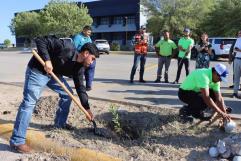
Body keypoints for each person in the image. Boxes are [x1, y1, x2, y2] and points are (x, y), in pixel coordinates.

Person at [10, 35, 99, 153]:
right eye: (93, 58)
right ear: (86, 53)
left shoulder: (80, 68)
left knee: (68, 95)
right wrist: (47, 60)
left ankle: (59, 124)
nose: (93, 62)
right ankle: (17, 141)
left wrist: (86, 108)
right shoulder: (65, 47)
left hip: (54, 75)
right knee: (29, 103)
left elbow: (80, 88)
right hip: (38, 70)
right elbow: (40, 40)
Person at [73, 25, 96, 91]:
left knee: (90, 70)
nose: (89, 34)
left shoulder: (88, 37)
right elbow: (74, 47)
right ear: (84, 30)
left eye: (90, 32)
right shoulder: (78, 37)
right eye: (88, 32)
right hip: (81, 57)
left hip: (89, 57)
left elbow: (91, 46)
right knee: (80, 72)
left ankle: (88, 86)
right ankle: (80, 85)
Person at [232, 32, 241, 99]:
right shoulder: (238, 40)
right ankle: (235, 92)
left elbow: (237, 49)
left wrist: (239, 50)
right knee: (236, 77)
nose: (239, 34)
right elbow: (234, 49)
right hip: (237, 59)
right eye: (239, 33)